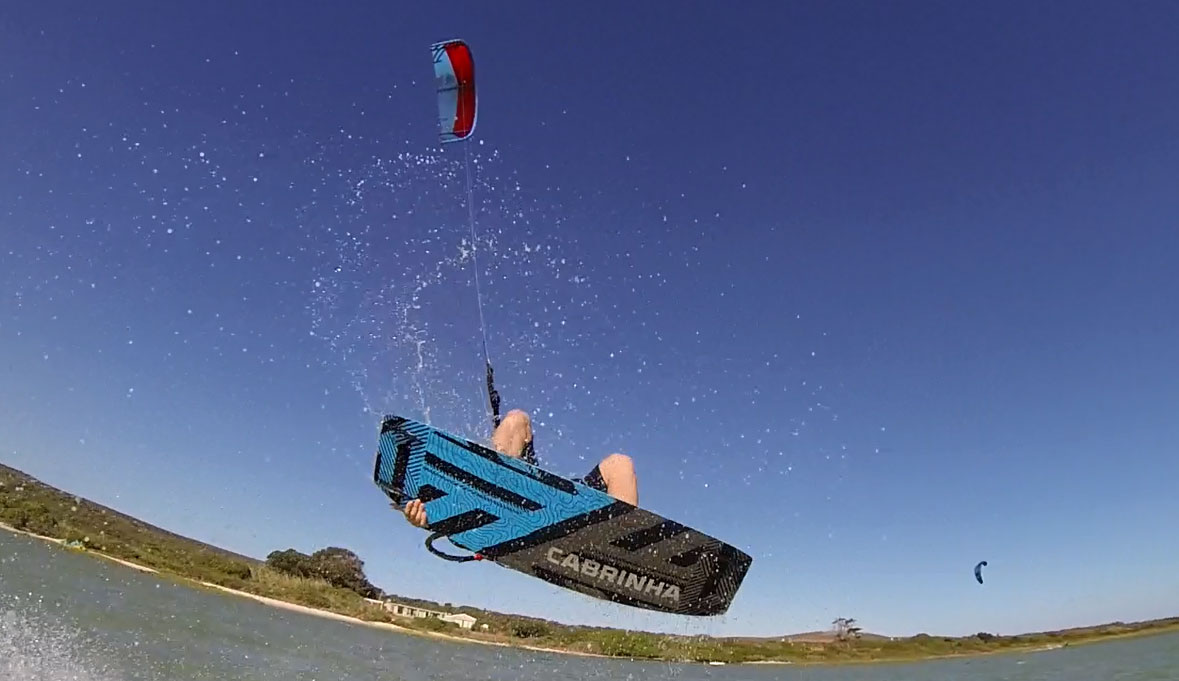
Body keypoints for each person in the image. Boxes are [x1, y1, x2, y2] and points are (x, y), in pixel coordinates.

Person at [402, 409, 638, 528]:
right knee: (517, 417)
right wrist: (431, 516)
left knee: (620, 462)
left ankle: (617, 533)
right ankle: (488, 485)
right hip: (518, 496)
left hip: (571, 506)